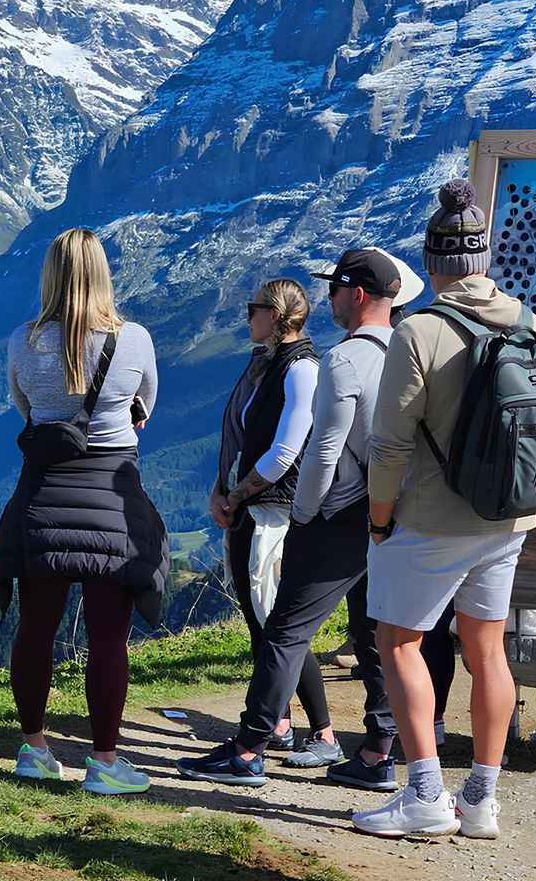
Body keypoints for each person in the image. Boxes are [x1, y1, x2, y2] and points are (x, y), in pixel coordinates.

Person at [353, 178, 536, 840]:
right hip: (507, 517)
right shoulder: (532, 321)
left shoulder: (421, 332)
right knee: (486, 649)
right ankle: (481, 799)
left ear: (433, 262)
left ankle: (423, 796)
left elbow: (388, 442)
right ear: (483, 258)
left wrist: (379, 517)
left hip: (431, 519)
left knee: (399, 641)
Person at [177, 250, 415, 787]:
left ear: (356, 295)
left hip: (340, 512)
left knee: (285, 628)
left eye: (334, 289)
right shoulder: (406, 350)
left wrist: (305, 515)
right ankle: (378, 752)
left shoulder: (341, 360)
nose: (327, 299)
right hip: (396, 513)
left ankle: (250, 747)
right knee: (374, 632)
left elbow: (321, 452)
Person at [0, 227, 169, 796]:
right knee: (107, 636)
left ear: (50, 275)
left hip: (42, 496)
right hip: (111, 501)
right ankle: (105, 760)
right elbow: (147, 403)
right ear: (101, 274)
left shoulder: (23, 340)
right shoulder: (134, 338)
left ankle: (35, 749)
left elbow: (25, 407)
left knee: (35, 629)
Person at [207, 278, 319, 754]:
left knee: (278, 620)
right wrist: (222, 487)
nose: (246, 317)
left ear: (274, 315)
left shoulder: (301, 369)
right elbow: (240, 433)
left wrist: (239, 491)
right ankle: (278, 722)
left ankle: (323, 729)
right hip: (253, 506)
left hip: (275, 508)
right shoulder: (265, 365)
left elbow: (285, 451)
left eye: (252, 308)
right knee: (261, 618)